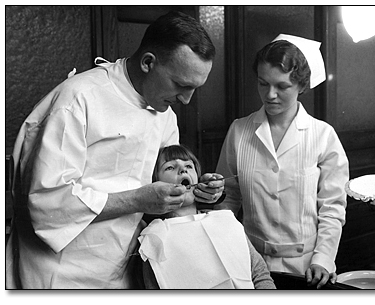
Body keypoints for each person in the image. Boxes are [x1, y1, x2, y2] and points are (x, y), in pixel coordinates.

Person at [6, 10, 225, 289]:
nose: (186, 99)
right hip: (59, 272)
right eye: (181, 85)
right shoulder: (77, 100)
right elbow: (48, 203)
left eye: (195, 88)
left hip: (123, 266)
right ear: (148, 63)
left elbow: (163, 188)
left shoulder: (165, 112)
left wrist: (197, 191)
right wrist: (136, 200)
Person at [215, 34, 349, 289]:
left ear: (301, 85)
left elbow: (332, 207)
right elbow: (228, 198)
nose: (270, 94)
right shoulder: (239, 131)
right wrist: (229, 250)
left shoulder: (322, 136)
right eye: (263, 83)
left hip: (307, 268)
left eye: (282, 86)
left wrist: (323, 259)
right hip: (248, 262)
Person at [139, 144, 276, 289]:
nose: (183, 169)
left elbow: (260, 276)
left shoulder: (225, 222)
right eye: (170, 167)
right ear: (154, 184)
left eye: (189, 166)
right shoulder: (154, 240)